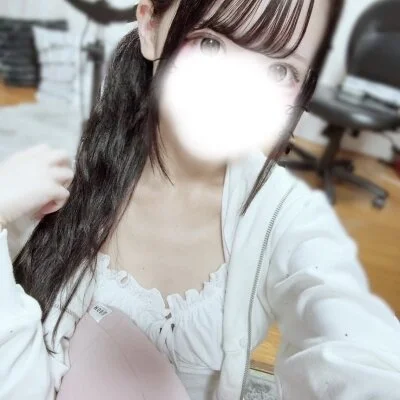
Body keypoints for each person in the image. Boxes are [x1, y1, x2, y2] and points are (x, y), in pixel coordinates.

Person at [1, 0, 400, 399]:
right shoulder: (58, 181)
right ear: (150, 26)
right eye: (211, 44)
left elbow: (356, 346)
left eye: (280, 70)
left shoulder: (286, 217)